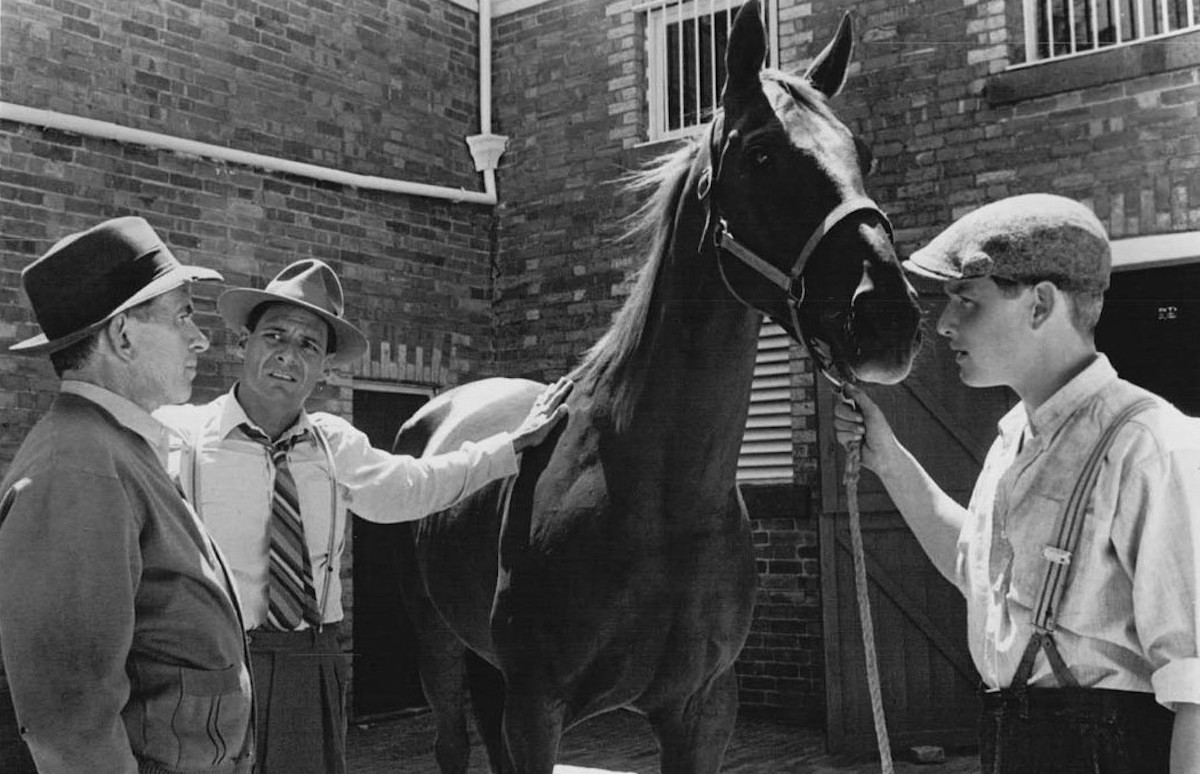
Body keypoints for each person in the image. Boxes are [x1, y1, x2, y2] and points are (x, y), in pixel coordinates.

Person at [155, 258, 572, 774]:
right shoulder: (175, 437)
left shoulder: (333, 444)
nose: (288, 355)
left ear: (326, 368)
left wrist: (510, 445)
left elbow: (417, 484)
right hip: (211, 662)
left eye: (309, 345)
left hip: (310, 662)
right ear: (244, 344)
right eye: (274, 336)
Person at [834, 193, 1200, 773]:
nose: (945, 322)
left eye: (966, 301)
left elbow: (1197, 689)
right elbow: (973, 569)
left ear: (1040, 305)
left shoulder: (1150, 447)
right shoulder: (1013, 439)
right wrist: (889, 459)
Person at [0, 217, 255, 773]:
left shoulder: (113, 447)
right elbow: (72, 731)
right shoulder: (77, 468)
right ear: (121, 335)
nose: (201, 337)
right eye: (182, 314)